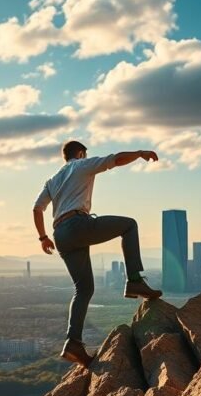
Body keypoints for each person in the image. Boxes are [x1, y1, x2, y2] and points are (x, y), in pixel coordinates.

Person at [32, 140, 163, 369]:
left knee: (83, 290)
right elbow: (115, 159)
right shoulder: (81, 165)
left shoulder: (52, 180)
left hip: (60, 234)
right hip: (77, 224)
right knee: (129, 225)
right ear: (80, 153)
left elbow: (37, 208)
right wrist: (140, 152)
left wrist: (43, 237)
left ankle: (73, 343)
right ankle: (134, 281)